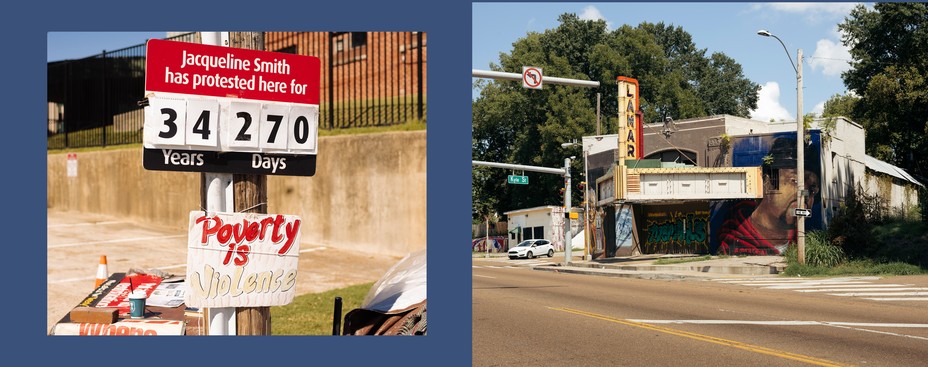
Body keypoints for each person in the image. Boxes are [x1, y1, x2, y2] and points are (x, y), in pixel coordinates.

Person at [717, 136, 820, 255]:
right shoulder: (731, 238)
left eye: (812, 188)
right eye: (795, 181)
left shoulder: (800, 241)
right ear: (767, 182)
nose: (805, 191)